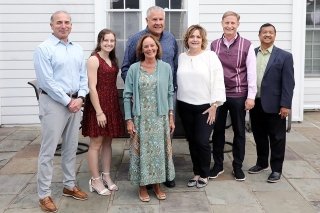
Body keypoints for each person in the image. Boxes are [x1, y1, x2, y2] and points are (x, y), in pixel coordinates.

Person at [33, 11, 89, 213]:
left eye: (67, 22)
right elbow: (47, 81)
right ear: (51, 25)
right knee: (48, 151)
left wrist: (81, 97)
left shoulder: (77, 49)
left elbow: (84, 77)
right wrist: (68, 101)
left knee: (71, 147)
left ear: (71, 25)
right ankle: (44, 195)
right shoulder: (43, 49)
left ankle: (69, 185)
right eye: (59, 22)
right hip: (54, 104)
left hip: (75, 103)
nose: (63, 26)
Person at [121, 5, 178, 188]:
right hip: (143, 100)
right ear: (147, 20)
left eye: (161, 19)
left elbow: (173, 67)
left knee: (165, 138)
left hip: (165, 96)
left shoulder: (170, 39)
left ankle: (165, 174)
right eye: (154, 19)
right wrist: (137, 87)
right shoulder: (135, 39)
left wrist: (170, 94)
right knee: (143, 142)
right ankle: (144, 179)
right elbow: (126, 67)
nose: (158, 22)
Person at [177, 25, 226, 188]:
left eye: (198, 37)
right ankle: (196, 172)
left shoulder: (210, 56)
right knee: (191, 141)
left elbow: (218, 80)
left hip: (205, 107)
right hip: (184, 105)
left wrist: (215, 105)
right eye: (192, 36)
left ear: (202, 39)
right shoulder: (182, 57)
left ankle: (204, 174)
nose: (195, 39)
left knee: (202, 141)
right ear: (187, 39)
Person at [210, 11, 257, 181]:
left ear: (238, 24)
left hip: (238, 94)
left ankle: (237, 166)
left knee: (239, 131)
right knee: (218, 131)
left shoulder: (247, 45)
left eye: (233, 23)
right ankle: (218, 165)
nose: (229, 26)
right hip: (218, 95)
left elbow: (251, 73)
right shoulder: (214, 45)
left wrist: (251, 96)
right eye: (226, 22)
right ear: (221, 23)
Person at [248, 23, 295, 183]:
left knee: (277, 138)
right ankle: (261, 163)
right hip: (256, 103)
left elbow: (289, 83)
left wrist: (286, 105)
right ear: (259, 35)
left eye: (271, 32)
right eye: (264, 32)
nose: (267, 35)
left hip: (275, 105)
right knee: (259, 135)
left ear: (275, 36)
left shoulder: (284, 56)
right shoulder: (252, 54)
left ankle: (276, 169)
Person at [82, 29, 125, 195]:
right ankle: (95, 180)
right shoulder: (94, 59)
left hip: (112, 104)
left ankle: (106, 176)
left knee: (108, 142)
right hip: (98, 106)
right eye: (105, 40)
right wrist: (99, 112)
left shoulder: (112, 59)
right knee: (96, 144)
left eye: (112, 41)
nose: (109, 43)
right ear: (100, 41)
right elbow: (92, 87)